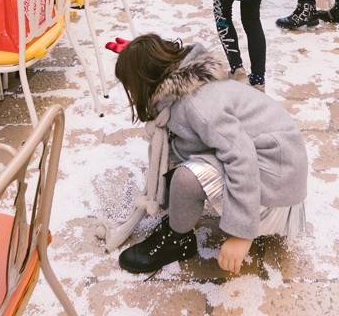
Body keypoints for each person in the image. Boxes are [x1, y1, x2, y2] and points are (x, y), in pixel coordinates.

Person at [109, 35, 308, 274]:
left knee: (187, 179)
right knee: (178, 171)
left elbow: (241, 157)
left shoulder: (197, 104)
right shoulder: (185, 90)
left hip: (275, 190)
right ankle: (182, 214)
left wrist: (241, 234)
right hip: (274, 170)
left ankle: (177, 242)